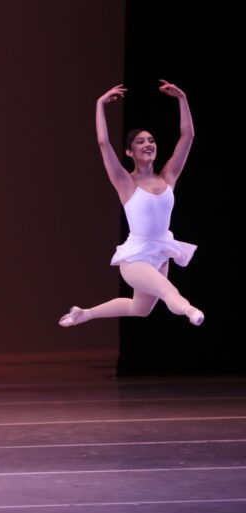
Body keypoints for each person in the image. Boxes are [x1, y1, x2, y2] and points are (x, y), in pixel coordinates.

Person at [59, 80, 203, 328]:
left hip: (160, 252)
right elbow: (103, 143)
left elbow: (188, 136)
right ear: (129, 152)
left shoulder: (168, 176)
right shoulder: (125, 182)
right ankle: (190, 310)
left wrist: (182, 98)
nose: (148, 144)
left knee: (140, 309)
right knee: (168, 291)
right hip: (135, 258)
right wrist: (99, 105)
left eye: (151, 140)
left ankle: (84, 314)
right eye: (140, 141)